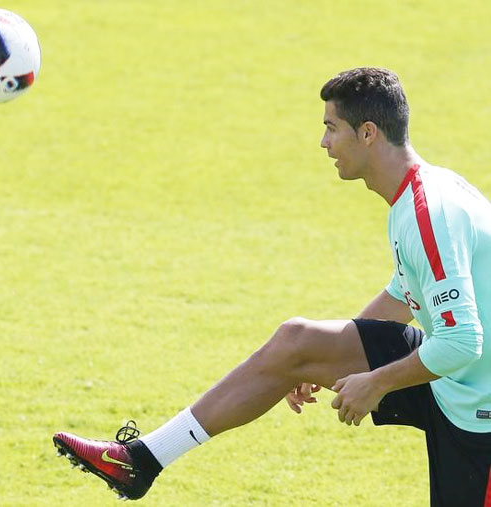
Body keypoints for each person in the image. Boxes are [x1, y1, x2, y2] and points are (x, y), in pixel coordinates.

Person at [53, 68, 491, 505]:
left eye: (331, 128)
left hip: (480, 408)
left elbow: (462, 340)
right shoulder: (416, 196)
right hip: (460, 379)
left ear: (368, 133)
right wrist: (322, 358)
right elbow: (403, 295)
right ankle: (141, 460)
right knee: (297, 342)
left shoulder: (428, 212)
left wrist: (375, 382)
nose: (324, 143)